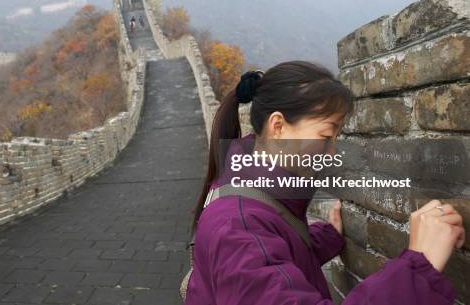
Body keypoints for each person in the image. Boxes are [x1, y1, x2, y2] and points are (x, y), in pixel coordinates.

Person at [184, 61, 465, 305]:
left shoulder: (244, 180)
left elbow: (270, 259)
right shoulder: (236, 225)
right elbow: (250, 247)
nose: (330, 153)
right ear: (278, 126)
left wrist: (324, 237)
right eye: (326, 136)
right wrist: (419, 265)